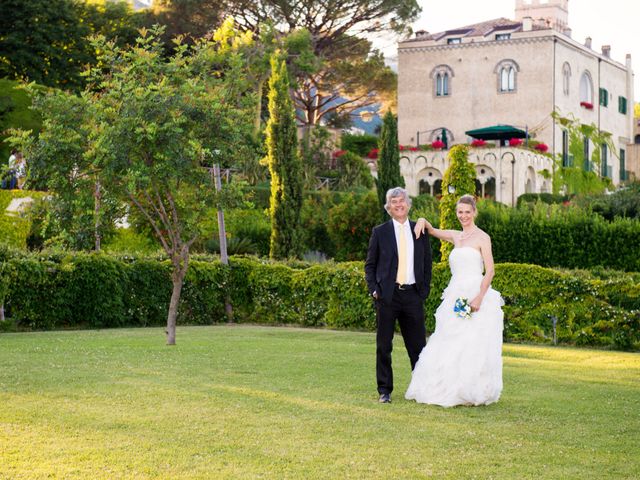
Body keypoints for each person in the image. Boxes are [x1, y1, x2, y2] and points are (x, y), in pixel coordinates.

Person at [405, 194, 503, 407]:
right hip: (455, 295)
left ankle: (471, 389)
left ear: (474, 212)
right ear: (456, 213)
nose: (464, 216)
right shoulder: (455, 236)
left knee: (471, 342)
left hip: (475, 295)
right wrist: (421, 220)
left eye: (467, 212)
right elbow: (431, 230)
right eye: (460, 212)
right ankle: (448, 386)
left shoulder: (482, 238)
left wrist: (479, 297)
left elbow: (491, 270)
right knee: (449, 339)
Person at [364, 187, 432, 404]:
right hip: (387, 297)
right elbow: (370, 265)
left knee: (418, 347)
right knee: (384, 345)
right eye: (394, 202)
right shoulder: (380, 232)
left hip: (413, 295)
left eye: (402, 201)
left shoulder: (419, 230)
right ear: (389, 208)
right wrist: (375, 289)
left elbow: (427, 263)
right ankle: (384, 390)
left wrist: (424, 290)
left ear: (408, 205)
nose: (399, 205)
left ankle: (421, 388)